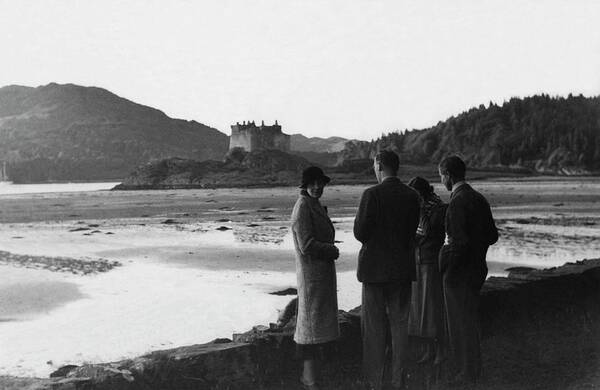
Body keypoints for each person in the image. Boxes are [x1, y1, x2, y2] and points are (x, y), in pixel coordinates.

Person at [354, 150, 420, 390]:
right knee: (401, 326)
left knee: (373, 328)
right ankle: (398, 379)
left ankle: (374, 381)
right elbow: (413, 230)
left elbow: (360, 232)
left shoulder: (371, 194)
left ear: (379, 165)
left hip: (374, 271)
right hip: (402, 268)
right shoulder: (412, 195)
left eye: (374, 165)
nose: (374, 169)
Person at [437, 155, 498, 384]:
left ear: (449, 176)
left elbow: (457, 244)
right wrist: (477, 246)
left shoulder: (456, 202)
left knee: (459, 325)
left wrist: (443, 263)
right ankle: (474, 370)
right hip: (478, 269)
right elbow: (492, 236)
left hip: (458, 273)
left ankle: (465, 373)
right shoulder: (479, 198)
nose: (441, 180)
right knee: (470, 322)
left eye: (441, 175)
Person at [291, 166, 340, 390]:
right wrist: (331, 250)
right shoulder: (302, 206)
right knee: (309, 329)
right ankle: (309, 380)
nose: (318, 187)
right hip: (311, 276)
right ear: (305, 185)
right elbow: (306, 244)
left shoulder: (313, 204)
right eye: (313, 183)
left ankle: (314, 377)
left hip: (320, 276)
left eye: (321, 183)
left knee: (316, 327)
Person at [407, 177, 447, 368]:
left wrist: (420, 209)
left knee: (432, 309)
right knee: (421, 310)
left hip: (430, 263)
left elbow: (428, 231)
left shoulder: (438, 208)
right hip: (418, 261)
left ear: (423, 194)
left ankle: (440, 351)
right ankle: (428, 350)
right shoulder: (422, 207)